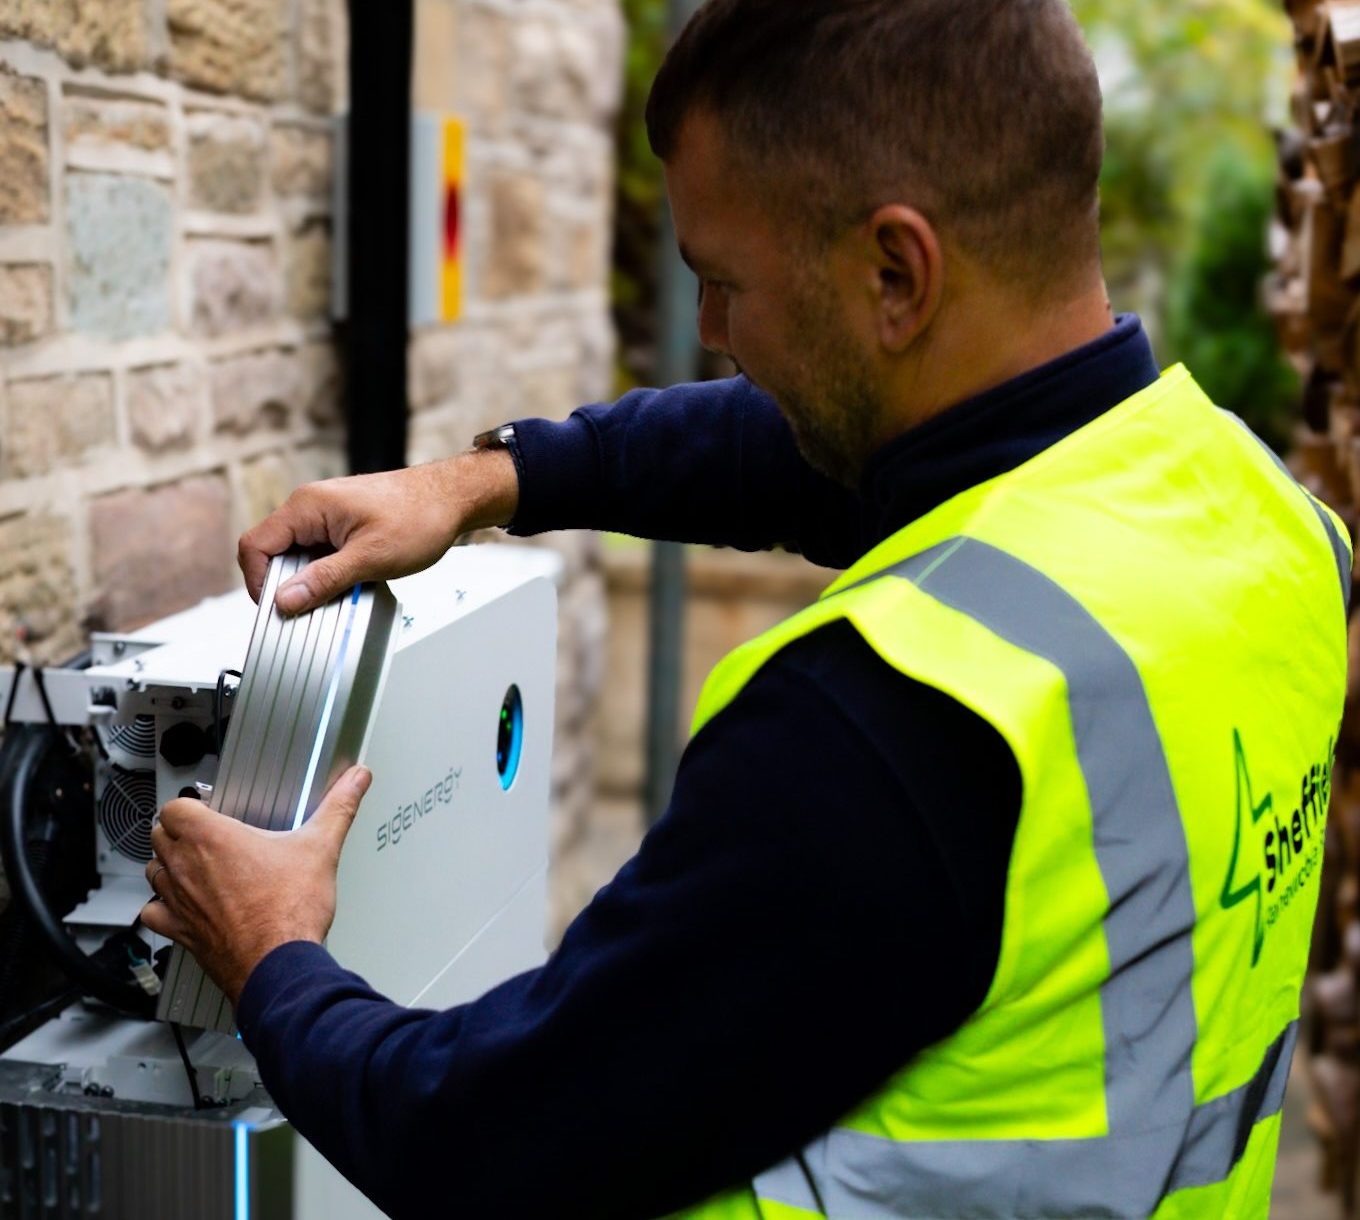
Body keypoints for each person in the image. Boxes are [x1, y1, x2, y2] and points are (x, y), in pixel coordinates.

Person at [139, 1, 1352, 1216]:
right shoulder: (1265, 521)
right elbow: (811, 454)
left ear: (896, 272)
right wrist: (486, 481)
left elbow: (489, 1139)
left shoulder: (880, 729)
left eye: (725, 283)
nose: (712, 335)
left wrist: (272, 952)